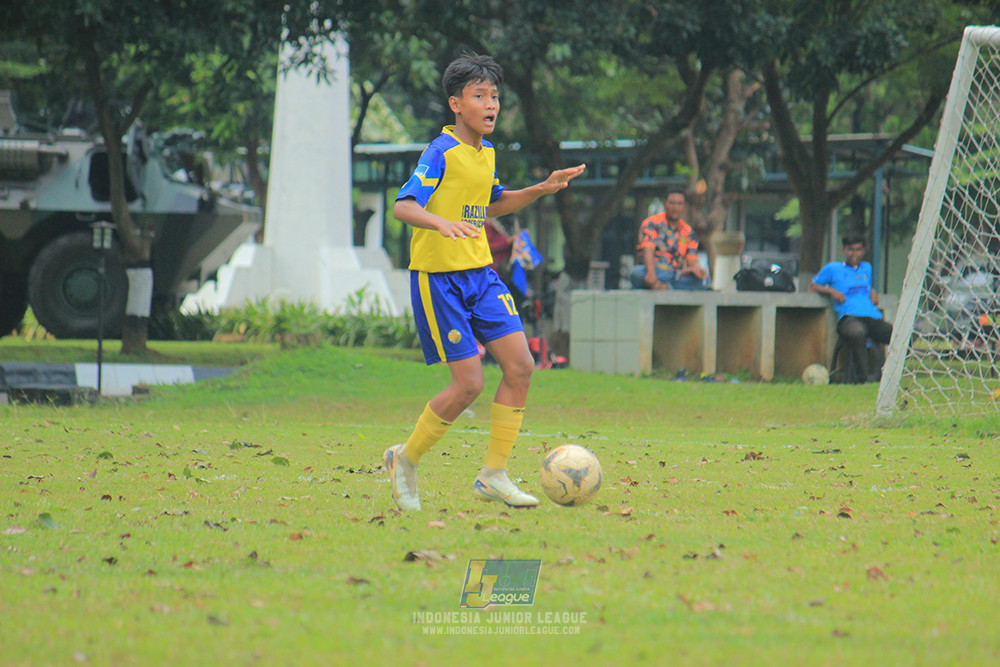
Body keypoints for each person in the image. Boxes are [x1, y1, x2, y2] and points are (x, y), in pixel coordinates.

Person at [384, 54, 585, 511]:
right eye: (479, 96)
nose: (490, 103)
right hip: (440, 280)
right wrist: (440, 224)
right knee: (469, 384)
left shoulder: (486, 152)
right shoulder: (440, 151)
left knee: (520, 367)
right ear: (456, 104)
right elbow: (404, 206)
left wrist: (541, 188)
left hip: (481, 275)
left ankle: (493, 474)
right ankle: (405, 459)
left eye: (494, 96)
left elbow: (491, 204)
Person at [809, 233, 893, 383]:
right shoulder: (832, 268)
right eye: (850, 250)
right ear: (844, 250)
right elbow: (813, 286)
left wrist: (872, 291)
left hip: (871, 316)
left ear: (863, 251)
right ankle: (863, 378)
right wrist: (831, 291)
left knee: (897, 335)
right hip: (849, 318)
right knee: (858, 332)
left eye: (858, 250)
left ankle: (894, 375)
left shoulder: (867, 268)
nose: (854, 254)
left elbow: (864, 285)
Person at [629, 188, 709, 290]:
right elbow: (648, 250)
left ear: (685, 206)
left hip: (676, 274)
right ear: (664, 203)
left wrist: (698, 270)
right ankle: (665, 285)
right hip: (654, 270)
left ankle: (665, 286)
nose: (675, 207)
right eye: (672, 203)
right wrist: (651, 274)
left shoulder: (688, 232)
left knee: (702, 281)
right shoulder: (652, 223)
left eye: (679, 204)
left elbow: (692, 260)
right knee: (636, 273)